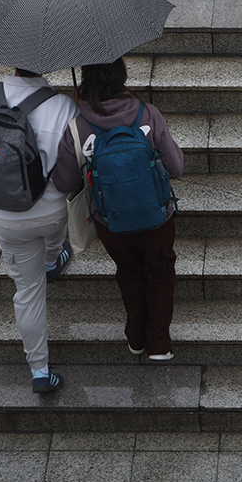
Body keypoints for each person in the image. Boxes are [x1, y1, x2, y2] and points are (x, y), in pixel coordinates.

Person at [54, 59, 184, 361]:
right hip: (157, 219)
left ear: (84, 83)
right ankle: (159, 345)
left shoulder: (77, 128)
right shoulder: (147, 114)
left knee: (129, 272)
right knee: (161, 273)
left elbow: (63, 182)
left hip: (110, 222)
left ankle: (135, 338)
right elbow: (176, 167)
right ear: (122, 78)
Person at [0, 68, 78, 393]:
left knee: (27, 291)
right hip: (52, 211)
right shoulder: (62, 105)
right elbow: (71, 173)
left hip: (4, 219)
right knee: (54, 237)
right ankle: (53, 260)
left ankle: (40, 371)